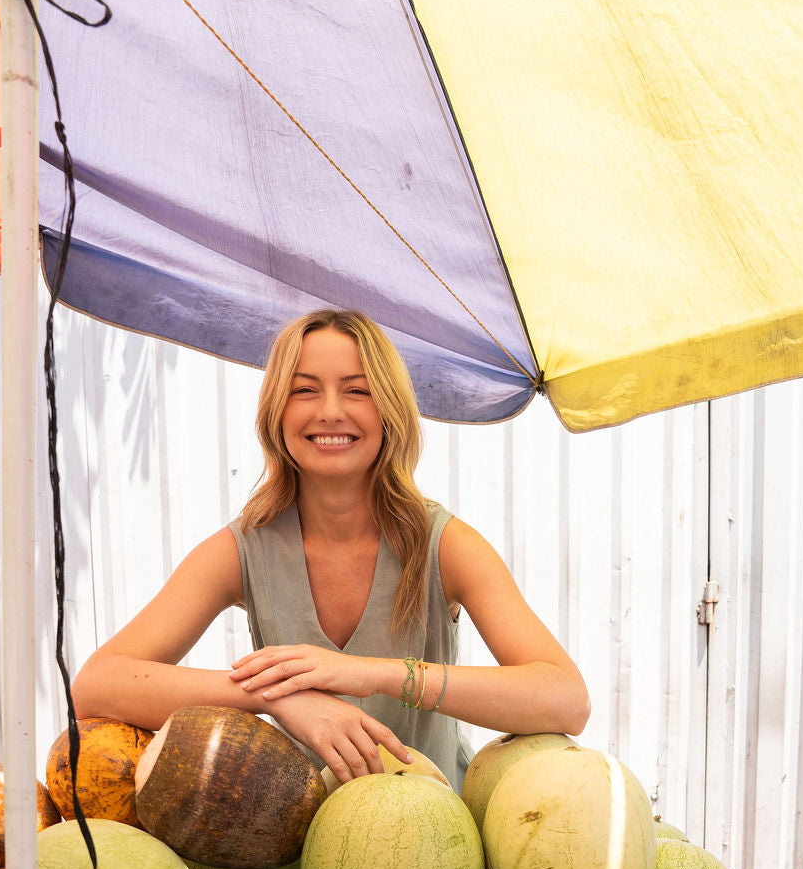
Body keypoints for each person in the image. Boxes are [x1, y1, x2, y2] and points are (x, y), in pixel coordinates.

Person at [72, 308, 590, 790]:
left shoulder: (445, 545)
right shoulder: (242, 549)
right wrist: (281, 696)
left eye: (357, 390)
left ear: (389, 410)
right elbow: (97, 685)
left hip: (439, 849)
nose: (331, 412)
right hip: (297, 856)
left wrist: (373, 674)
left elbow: (566, 700)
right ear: (277, 411)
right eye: (304, 390)